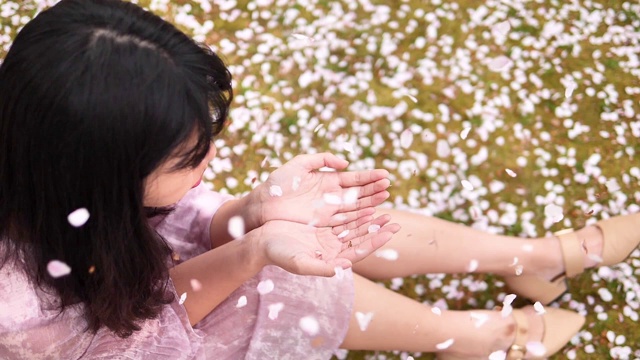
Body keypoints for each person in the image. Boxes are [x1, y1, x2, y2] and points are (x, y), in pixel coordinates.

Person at [1, 1, 638, 359]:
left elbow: (179, 220)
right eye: (189, 157)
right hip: (130, 342)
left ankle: (533, 259)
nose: (211, 163)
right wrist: (254, 248)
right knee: (283, 276)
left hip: (124, 270)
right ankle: (472, 338)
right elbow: (137, 335)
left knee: (317, 216)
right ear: (101, 177)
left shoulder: (65, 168)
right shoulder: (17, 306)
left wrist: (248, 211)